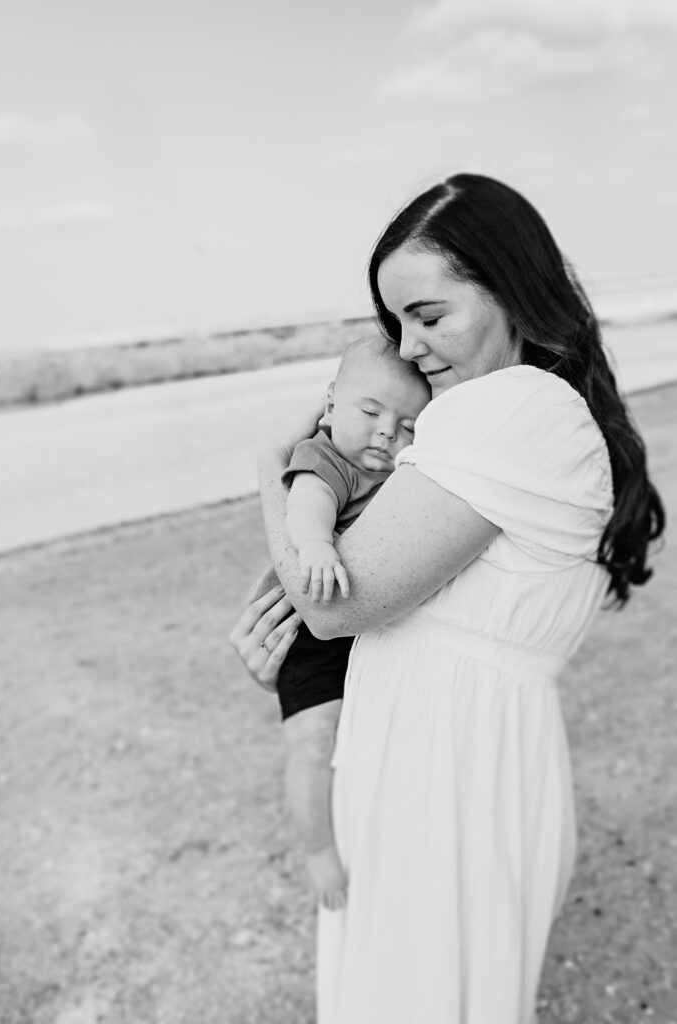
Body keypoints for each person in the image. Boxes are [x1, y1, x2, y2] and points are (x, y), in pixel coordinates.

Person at [229, 173, 665, 1024]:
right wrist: (297, 671)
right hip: (446, 752)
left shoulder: (508, 410)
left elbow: (334, 605)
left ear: (512, 291)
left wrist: (268, 478)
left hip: (447, 770)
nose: (412, 347)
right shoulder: (514, 415)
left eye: (430, 316)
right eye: (395, 324)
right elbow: (383, 610)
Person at [249, 336, 429, 910]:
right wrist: (316, 545)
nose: (385, 433)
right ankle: (318, 849)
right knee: (311, 739)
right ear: (330, 406)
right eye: (370, 412)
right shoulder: (326, 458)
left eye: (407, 425)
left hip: (357, 626)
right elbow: (306, 506)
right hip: (305, 628)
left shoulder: (404, 473)